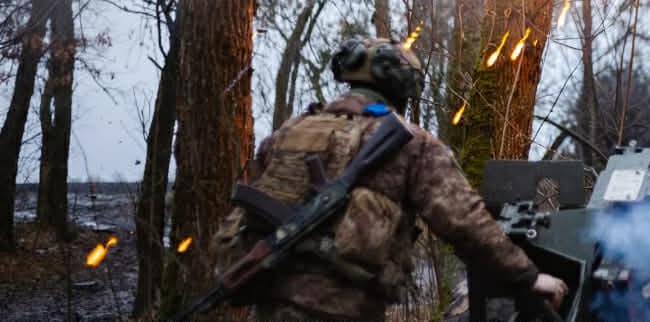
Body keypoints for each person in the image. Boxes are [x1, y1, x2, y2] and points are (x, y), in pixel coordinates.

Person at [211, 37, 567, 321]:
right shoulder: (412, 145)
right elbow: (466, 223)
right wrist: (528, 276)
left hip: (270, 305)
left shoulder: (289, 132)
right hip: (343, 311)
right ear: (403, 88)